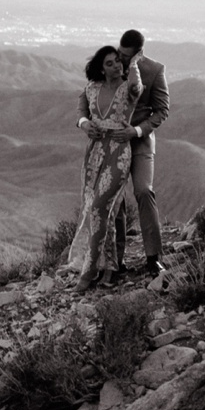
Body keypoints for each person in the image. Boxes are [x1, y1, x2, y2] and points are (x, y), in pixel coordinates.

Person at [70, 44, 144, 291]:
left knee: (101, 206)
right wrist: (83, 124)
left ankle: (89, 270)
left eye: (117, 61)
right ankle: (110, 267)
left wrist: (133, 63)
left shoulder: (128, 88)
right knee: (99, 210)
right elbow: (81, 111)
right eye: (109, 63)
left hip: (119, 153)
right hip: (94, 153)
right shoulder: (91, 88)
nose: (116, 66)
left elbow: (137, 86)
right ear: (100, 68)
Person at [116, 29, 169, 278]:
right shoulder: (110, 64)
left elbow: (161, 111)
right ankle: (114, 259)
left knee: (143, 190)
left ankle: (153, 257)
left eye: (126, 56)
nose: (122, 59)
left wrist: (137, 131)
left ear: (138, 53)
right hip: (114, 142)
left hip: (140, 141)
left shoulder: (155, 70)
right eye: (120, 53)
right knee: (115, 197)